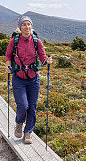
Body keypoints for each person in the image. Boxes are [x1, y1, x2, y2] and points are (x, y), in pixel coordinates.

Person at [5, 16, 52, 144]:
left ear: (32, 27)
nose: (27, 27)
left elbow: (42, 57)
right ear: (20, 27)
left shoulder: (37, 41)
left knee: (32, 107)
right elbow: (8, 56)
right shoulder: (14, 41)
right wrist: (8, 66)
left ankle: (28, 133)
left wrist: (46, 61)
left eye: (29, 24)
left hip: (33, 79)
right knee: (23, 105)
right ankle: (19, 123)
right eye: (24, 25)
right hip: (18, 78)